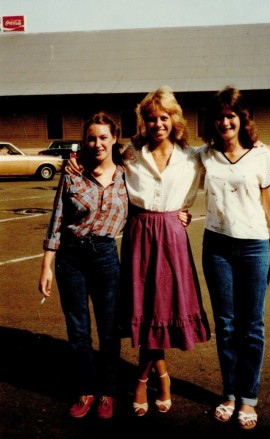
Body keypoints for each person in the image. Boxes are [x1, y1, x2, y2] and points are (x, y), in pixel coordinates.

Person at [66, 86, 211, 418]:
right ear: (143, 121)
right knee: (144, 313)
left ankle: (145, 378)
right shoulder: (131, 152)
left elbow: (226, 155)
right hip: (139, 236)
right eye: (151, 118)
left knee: (161, 311)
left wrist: (186, 213)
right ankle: (159, 375)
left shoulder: (192, 156)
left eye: (164, 117)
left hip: (172, 237)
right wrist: (72, 160)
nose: (158, 123)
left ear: (174, 119)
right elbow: (98, 156)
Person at [199, 86, 270, 430]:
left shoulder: (260, 155)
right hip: (217, 247)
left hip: (255, 247)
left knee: (251, 326)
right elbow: (171, 170)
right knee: (225, 325)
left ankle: (248, 399)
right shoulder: (205, 155)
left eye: (231, 115)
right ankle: (229, 393)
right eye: (220, 116)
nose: (225, 122)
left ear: (242, 118)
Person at [39, 112, 128, 420]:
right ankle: (86, 390)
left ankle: (108, 392)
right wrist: (47, 265)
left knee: (108, 330)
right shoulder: (72, 174)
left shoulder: (127, 176)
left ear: (115, 138)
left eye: (104, 137)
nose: (97, 143)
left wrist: (180, 214)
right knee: (78, 330)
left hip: (105, 255)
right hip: (71, 257)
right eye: (91, 137)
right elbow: (58, 219)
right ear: (84, 140)